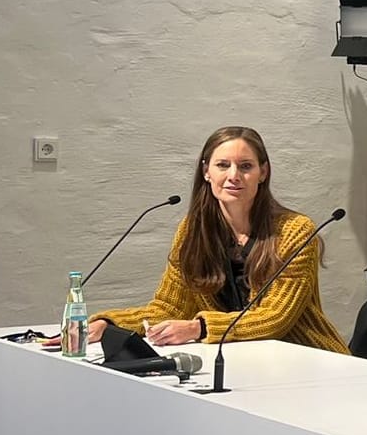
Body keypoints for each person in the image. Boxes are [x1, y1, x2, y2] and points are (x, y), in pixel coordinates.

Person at [85, 126, 349, 353]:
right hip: (238, 359)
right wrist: (108, 325)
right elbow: (169, 307)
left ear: (263, 172)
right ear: (206, 172)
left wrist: (199, 328)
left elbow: (275, 318)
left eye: (246, 166)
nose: (234, 176)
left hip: (308, 357)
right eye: (223, 165)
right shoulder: (192, 231)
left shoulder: (294, 230)